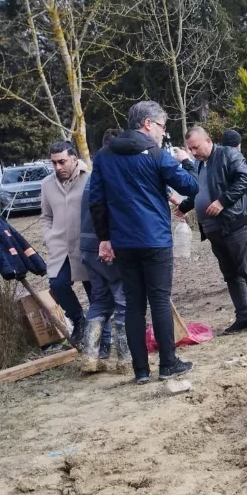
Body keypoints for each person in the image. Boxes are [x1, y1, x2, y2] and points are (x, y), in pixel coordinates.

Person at [88, 101, 199, 384]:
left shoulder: (103, 156)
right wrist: (186, 161)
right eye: (162, 126)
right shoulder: (156, 154)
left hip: (124, 241)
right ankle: (168, 364)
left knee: (134, 304)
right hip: (154, 238)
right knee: (159, 300)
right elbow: (191, 185)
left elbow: (96, 202)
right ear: (147, 124)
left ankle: (140, 370)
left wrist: (104, 238)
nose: (163, 132)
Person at [178, 126, 247, 335]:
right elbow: (200, 191)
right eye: (190, 149)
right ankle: (244, 317)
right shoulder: (200, 164)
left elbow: (245, 179)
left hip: (237, 223)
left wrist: (223, 201)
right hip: (214, 228)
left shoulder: (228, 154)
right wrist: (184, 206)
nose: (193, 152)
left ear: (208, 141)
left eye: (195, 147)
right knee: (230, 274)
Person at [79, 129, 127, 374]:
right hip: (107, 247)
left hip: (88, 248)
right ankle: (126, 358)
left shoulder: (92, 177)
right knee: (124, 301)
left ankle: (89, 355)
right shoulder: (112, 175)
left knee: (99, 301)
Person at [40, 142, 91, 347]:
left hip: (86, 245)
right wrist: (48, 237)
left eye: (62, 162)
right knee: (58, 283)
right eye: (54, 163)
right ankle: (78, 320)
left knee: (94, 290)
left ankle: (100, 333)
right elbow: (46, 216)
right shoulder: (47, 184)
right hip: (60, 247)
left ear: (74, 159)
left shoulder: (89, 179)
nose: (57, 167)